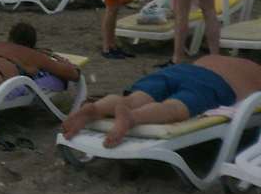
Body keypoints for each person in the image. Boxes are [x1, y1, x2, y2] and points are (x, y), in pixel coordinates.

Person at [61, 54, 261, 148]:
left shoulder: (215, 57)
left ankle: (96, 108)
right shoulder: (256, 72)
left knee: (134, 98)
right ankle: (133, 117)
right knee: (174, 107)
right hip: (214, 84)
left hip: (180, 70)